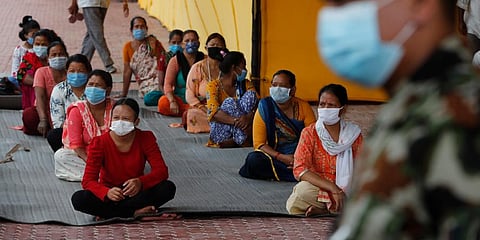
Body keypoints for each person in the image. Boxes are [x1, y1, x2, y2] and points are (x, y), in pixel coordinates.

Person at [316, 1, 480, 239]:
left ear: (422, 5)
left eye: (348, 2)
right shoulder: (414, 109)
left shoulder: (460, 120)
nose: (334, 18)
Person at [71, 98, 176, 220]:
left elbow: (161, 171)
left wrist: (140, 182)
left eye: (126, 119)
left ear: (136, 121)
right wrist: (106, 192)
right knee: (79, 199)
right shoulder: (99, 143)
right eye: (116, 118)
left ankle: (111, 213)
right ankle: (133, 213)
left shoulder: (146, 138)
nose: (120, 122)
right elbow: (88, 181)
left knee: (167, 188)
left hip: (135, 192)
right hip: (110, 194)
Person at [285, 84, 362, 216]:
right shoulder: (310, 133)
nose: (325, 108)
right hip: (319, 187)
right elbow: (300, 169)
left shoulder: (353, 134)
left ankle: (326, 209)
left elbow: (362, 167)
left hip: (347, 189)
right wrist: (332, 188)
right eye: (322, 104)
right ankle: (336, 209)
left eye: (331, 105)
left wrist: (344, 189)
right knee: (301, 193)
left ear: (342, 109)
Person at [239, 70, 316, 182]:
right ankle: (300, 173)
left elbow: (312, 138)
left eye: (283, 86)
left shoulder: (303, 107)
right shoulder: (265, 106)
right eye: (274, 85)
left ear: (292, 90)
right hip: (275, 156)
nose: (277, 89)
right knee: (254, 160)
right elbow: (259, 144)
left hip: (300, 155)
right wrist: (282, 157)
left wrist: (299, 159)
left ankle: (297, 170)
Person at [54, 69, 113, 181]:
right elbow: (76, 146)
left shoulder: (115, 108)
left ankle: (103, 175)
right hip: (86, 157)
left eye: (98, 85)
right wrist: (93, 165)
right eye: (90, 85)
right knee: (61, 156)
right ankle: (104, 175)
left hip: (111, 157)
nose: (93, 89)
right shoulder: (77, 110)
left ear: (108, 90)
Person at [206, 51, 257, 148]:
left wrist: (247, 118)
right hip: (223, 128)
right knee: (230, 102)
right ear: (234, 68)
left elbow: (257, 104)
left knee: (251, 95)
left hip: (244, 124)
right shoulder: (213, 86)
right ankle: (242, 139)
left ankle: (237, 140)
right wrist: (237, 122)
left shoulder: (246, 84)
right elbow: (214, 113)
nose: (245, 70)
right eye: (243, 66)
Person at [67, 0, 129, 73]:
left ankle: (83, 61)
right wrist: (74, 3)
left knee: (92, 34)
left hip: (104, 3)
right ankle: (108, 63)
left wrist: (125, 2)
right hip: (89, 3)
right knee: (97, 33)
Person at [117, 16, 167, 106]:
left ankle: (166, 96)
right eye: (136, 27)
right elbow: (127, 71)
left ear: (146, 29)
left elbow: (163, 63)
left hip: (160, 80)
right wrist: (124, 93)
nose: (139, 29)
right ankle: (166, 98)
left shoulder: (154, 43)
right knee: (149, 98)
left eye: (142, 26)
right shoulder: (128, 47)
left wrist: (153, 48)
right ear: (131, 30)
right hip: (145, 84)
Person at [22, 41, 68, 137]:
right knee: (29, 116)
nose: (57, 57)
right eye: (54, 55)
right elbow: (40, 97)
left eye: (61, 54)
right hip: (46, 111)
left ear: (66, 56)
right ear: (48, 58)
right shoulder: (41, 72)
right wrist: (43, 120)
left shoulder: (72, 73)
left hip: (67, 110)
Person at [48, 54, 92, 152]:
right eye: (72, 71)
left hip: (92, 131)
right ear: (66, 72)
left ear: (88, 72)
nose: (76, 75)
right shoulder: (59, 90)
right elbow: (58, 122)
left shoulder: (93, 89)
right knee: (54, 135)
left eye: (81, 71)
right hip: (68, 132)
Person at [158, 30, 204, 117]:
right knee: (163, 103)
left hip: (200, 99)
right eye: (187, 41)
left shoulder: (204, 60)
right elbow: (167, 84)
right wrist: (172, 101)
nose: (190, 43)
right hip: (181, 99)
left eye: (193, 40)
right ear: (182, 44)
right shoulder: (175, 60)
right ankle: (194, 112)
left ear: (198, 43)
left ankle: (193, 111)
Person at [185, 33, 228, 119]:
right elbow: (189, 92)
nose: (215, 47)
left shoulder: (228, 67)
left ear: (223, 49)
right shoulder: (198, 68)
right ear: (206, 48)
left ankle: (223, 120)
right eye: (212, 45)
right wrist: (204, 109)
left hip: (225, 107)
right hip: (203, 108)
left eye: (218, 45)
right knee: (192, 115)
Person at [17, 29, 61, 110]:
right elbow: (20, 76)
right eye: (37, 44)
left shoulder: (57, 59)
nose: (40, 47)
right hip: (33, 98)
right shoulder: (29, 58)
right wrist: (41, 84)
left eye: (43, 44)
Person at [11, 16, 40, 88]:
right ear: (26, 35)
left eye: (38, 34)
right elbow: (15, 72)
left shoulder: (41, 50)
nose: (36, 37)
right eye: (33, 34)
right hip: (24, 83)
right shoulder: (19, 50)